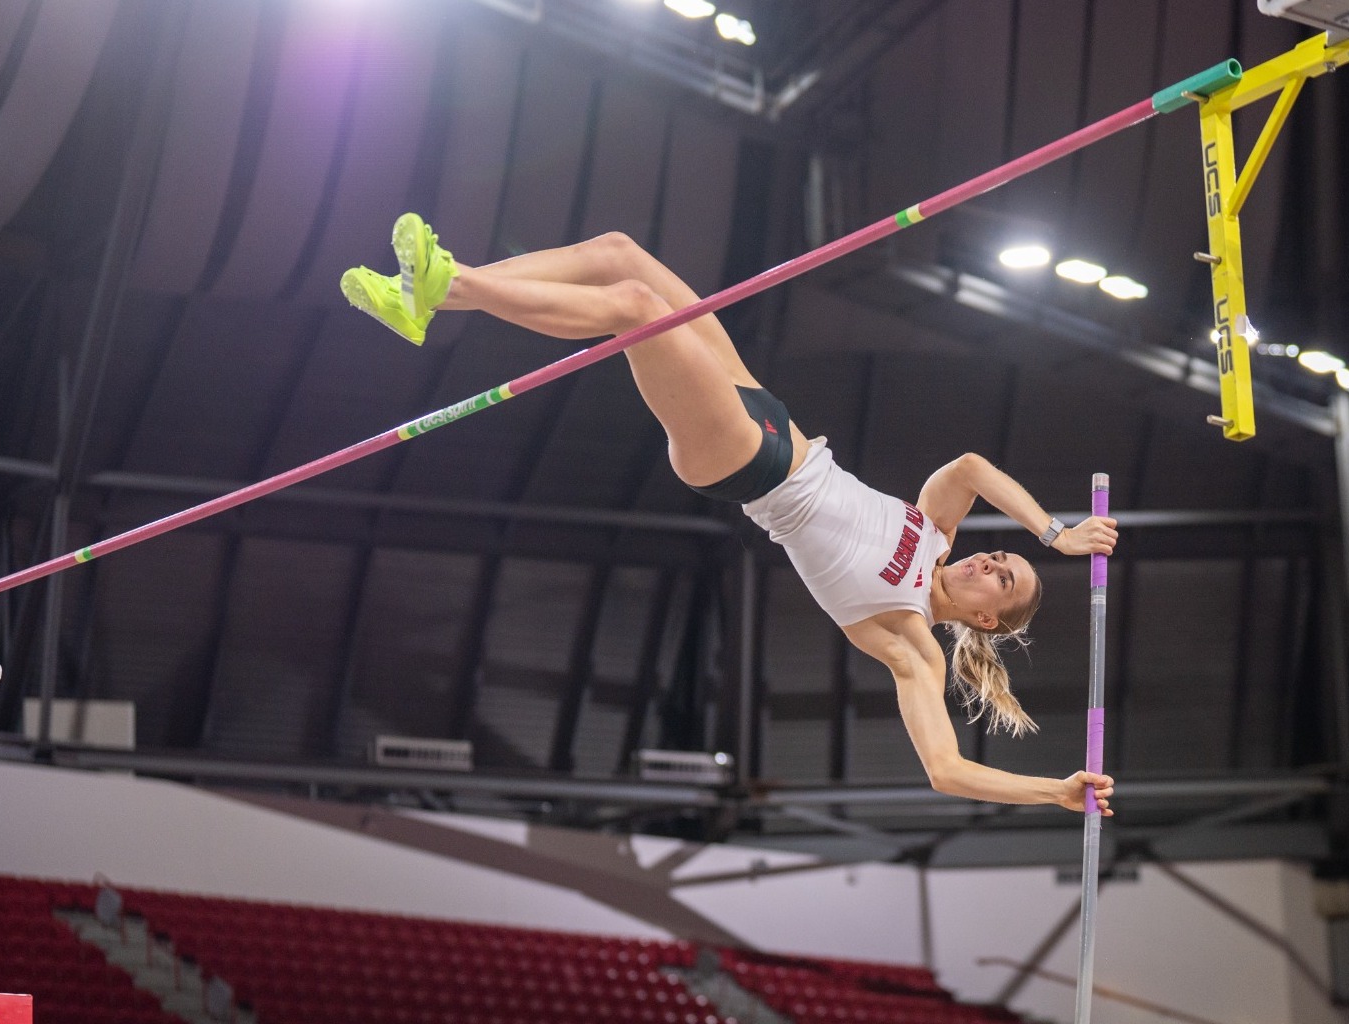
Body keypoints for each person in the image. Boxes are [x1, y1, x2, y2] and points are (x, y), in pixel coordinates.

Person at [341, 215, 1119, 815]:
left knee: (636, 309)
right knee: (619, 253)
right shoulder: (937, 531)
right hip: (773, 417)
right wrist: (1050, 533)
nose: (989, 563)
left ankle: (448, 289)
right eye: (1000, 557)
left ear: (985, 622)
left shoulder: (909, 635)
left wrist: (1052, 791)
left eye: (1001, 579)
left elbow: (946, 772)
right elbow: (972, 469)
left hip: (744, 461)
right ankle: (430, 297)